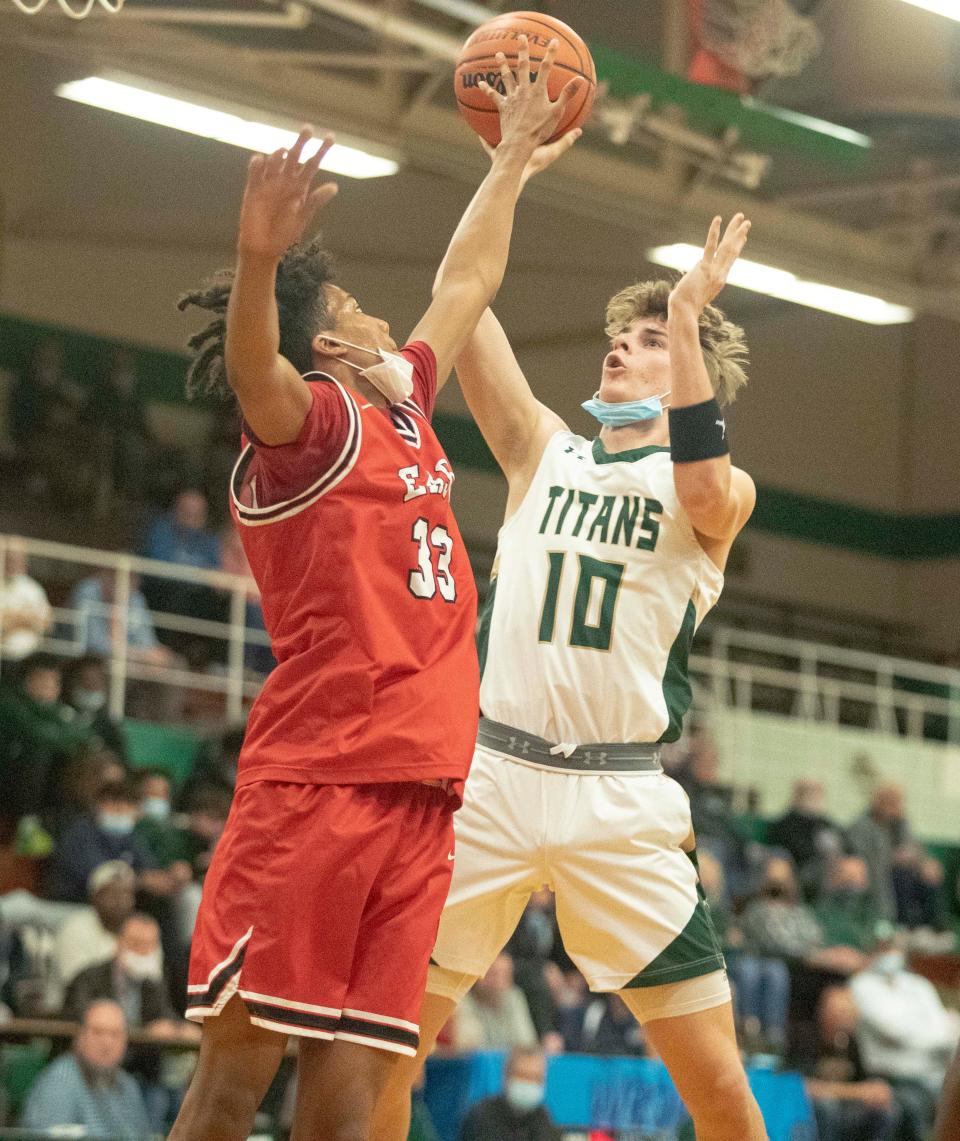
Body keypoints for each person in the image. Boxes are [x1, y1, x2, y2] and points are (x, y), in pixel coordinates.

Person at [168, 42, 583, 1141]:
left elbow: (468, 282)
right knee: (228, 1088)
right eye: (351, 302)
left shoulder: (404, 405)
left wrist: (512, 164)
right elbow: (255, 372)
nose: (372, 312)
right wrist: (260, 261)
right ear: (326, 341)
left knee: (354, 1095)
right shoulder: (309, 420)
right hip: (321, 784)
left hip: (423, 788)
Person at [376, 157, 766, 1138]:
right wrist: (504, 165)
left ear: (692, 378)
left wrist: (685, 317)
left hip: (618, 796)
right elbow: (460, 296)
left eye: (645, 343)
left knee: (718, 1085)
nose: (617, 353)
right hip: (493, 775)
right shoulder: (544, 451)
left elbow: (709, 486)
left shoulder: (712, 496)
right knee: (380, 1045)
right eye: (618, 339)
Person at [851, 931, 959, 1141]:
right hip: (892, 1079)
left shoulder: (919, 985)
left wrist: (925, 1035)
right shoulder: (863, 985)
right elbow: (894, 1031)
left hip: (936, 1076)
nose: (890, 953)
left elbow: (944, 1027)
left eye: (893, 947)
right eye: (883, 947)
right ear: (873, 951)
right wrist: (937, 1037)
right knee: (913, 1107)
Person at [20, 998, 151, 1135]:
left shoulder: (128, 1085)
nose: (107, 1043)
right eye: (98, 1032)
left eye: (115, 1034)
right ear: (80, 1036)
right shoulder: (60, 1083)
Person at [786, 986, 899, 1141]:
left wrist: (876, 1091)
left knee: (885, 1108)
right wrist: (856, 1092)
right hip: (811, 1109)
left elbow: (865, 1080)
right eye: (838, 1013)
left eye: (848, 1014)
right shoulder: (806, 1037)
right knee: (827, 1107)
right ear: (823, 1012)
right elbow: (803, 1086)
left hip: (845, 1108)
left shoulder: (852, 1042)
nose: (844, 1020)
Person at [52, 860, 137, 1001]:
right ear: (95, 896)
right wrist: (115, 964)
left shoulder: (141, 930)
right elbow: (77, 987)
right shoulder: (75, 928)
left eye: (127, 894)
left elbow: (151, 985)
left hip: (128, 1015)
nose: (120, 901)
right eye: (113, 894)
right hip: (74, 1015)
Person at [458, 1048, 561, 1141]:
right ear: (506, 1076)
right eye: (522, 1075)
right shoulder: (482, 1116)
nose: (529, 1083)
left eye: (535, 1078)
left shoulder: (544, 1118)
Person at [452, 953, 538, 1053]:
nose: (499, 982)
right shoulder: (462, 1000)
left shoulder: (514, 997)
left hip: (511, 1064)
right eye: (492, 975)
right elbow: (468, 1047)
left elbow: (527, 1044)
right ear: (478, 976)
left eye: (505, 976)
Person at [0, 536, 53, 662]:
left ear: (24, 560)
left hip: (29, 657)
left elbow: (46, 623)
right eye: (8, 558)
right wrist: (24, 619)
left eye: (16, 558)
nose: (11, 562)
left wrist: (11, 621)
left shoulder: (33, 589)